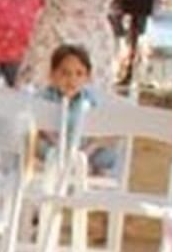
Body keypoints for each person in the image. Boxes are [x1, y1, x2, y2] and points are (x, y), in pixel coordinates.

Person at [36, 43, 118, 178]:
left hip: (84, 150)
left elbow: (106, 130)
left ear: (87, 77)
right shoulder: (45, 98)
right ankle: (56, 168)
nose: (72, 79)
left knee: (107, 155)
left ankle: (88, 169)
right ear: (52, 75)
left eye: (79, 74)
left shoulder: (90, 100)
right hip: (54, 146)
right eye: (64, 73)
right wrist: (57, 144)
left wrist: (90, 148)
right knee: (35, 145)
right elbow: (38, 126)